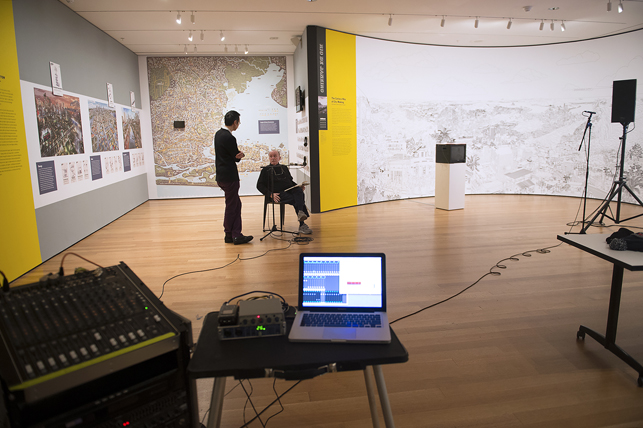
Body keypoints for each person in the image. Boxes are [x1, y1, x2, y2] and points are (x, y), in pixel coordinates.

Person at [214, 110, 253, 245]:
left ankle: (232, 234)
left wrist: (235, 155)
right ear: (235, 122)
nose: (239, 125)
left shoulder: (218, 134)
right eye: (239, 122)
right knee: (232, 205)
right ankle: (232, 234)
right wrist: (240, 155)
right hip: (230, 176)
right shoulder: (229, 137)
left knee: (235, 204)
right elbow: (235, 157)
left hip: (221, 175)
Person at [257, 150, 312, 234]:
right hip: (277, 194)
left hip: (288, 190)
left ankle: (301, 214)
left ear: (279, 157)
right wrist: (270, 194)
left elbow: (290, 181)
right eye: (271, 156)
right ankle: (302, 224)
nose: (273, 158)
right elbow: (259, 185)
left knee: (299, 191)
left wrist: (298, 186)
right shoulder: (266, 170)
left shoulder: (284, 168)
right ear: (269, 158)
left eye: (275, 156)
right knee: (297, 199)